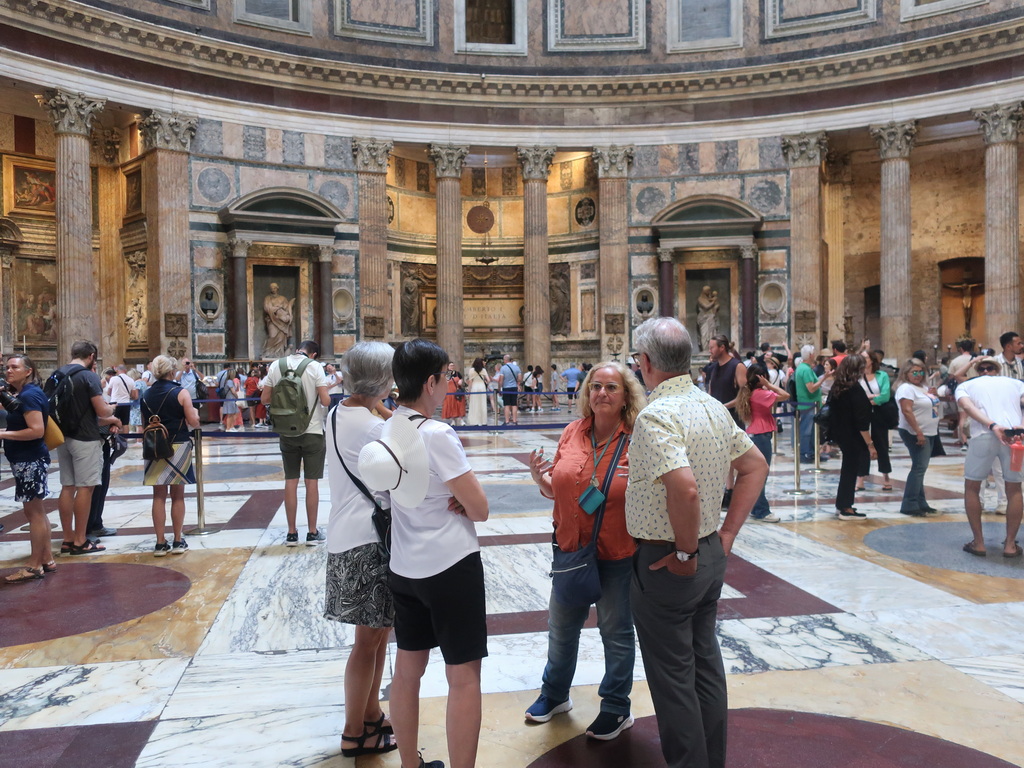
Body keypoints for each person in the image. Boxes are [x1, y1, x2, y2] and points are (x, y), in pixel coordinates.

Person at [627, 317, 768, 768]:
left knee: (672, 679)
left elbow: (684, 489)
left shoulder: (656, 416)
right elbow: (756, 466)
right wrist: (725, 534)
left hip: (670, 559)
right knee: (704, 663)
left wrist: (685, 552)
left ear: (645, 363)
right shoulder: (710, 406)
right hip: (710, 552)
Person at [363, 338, 489, 768]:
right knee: (463, 675)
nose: (451, 383)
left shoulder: (388, 428)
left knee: (408, 670)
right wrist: (458, 498)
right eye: (448, 376)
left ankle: (410, 765)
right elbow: (481, 509)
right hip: (450, 566)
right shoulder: (437, 434)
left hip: (405, 566)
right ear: (432, 381)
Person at [524, 361, 646, 739]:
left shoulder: (638, 437)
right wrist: (540, 480)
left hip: (618, 552)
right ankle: (555, 693)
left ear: (626, 395)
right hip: (571, 550)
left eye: (611, 387)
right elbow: (557, 488)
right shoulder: (573, 432)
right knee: (561, 628)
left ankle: (615, 705)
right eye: (596, 387)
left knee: (616, 630)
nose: (602, 394)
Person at [323, 342, 398, 759]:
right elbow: (411, 459)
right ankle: (354, 732)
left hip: (347, 534)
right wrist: (391, 412)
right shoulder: (373, 428)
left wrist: (383, 407)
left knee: (377, 634)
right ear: (385, 379)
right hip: (369, 542)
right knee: (367, 642)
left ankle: (371, 713)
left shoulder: (340, 412)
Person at [262, 340, 332, 546]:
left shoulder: (276, 365)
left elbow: (265, 399)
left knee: (290, 481)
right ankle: (312, 532)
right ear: (313, 354)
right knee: (312, 483)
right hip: (312, 431)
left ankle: (291, 533)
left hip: (286, 431)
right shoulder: (314, 367)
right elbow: (326, 401)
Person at [54, 340, 121, 556]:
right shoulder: (88, 376)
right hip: (85, 438)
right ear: (91, 355)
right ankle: (81, 540)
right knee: (86, 487)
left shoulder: (58, 373)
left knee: (67, 486)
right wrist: (111, 409)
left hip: (62, 436)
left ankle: (67, 539)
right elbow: (101, 411)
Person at [956, 355, 1024, 557]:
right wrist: (1020, 425)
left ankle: (979, 542)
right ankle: (1010, 545)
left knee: (972, 486)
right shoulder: (1015, 383)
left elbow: (967, 407)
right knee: (1014, 488)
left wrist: (993, 425)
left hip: (984, 435)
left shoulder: (968, 385)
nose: (986, 372)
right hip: (1014, 438)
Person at [0, 354, 54, 582]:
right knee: (37, 512)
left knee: (33, 514)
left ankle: (34, 565)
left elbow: (36, 430)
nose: (8, 371)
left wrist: (2, 433)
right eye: (6, 367)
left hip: (29, 460)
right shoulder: (23, 394)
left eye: (14, 367)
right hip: (26, 459)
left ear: (28, 370)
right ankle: (47, 559)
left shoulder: (30, 395)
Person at [142, 355, 201, 555]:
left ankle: (160, 543)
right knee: (178, 495)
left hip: (155, 446)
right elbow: (194, 422)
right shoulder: (181, 392)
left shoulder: (146, 394)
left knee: (158, 496)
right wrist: (195, 415)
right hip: (178, 445)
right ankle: (177, 540)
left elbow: (144, 423)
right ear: (171, 371)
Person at [735, 363, 789, 523]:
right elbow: (785, 395)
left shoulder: (749, 392)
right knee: (762, 474)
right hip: (761, 435)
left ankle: (755, 507)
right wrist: (769, 385)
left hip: (755, 433)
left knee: (757, 473)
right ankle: (761, 510)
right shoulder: (760, 393)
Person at [827, 355, 876, 520]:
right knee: (851, 470)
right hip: (853, 435)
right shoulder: (854, 388)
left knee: (847, 469)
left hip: (841, 433)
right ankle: (846, 507)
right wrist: (870, 443)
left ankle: (842, 504)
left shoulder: (838, 386)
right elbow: (861, 420)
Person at [895, 357, 941, 517]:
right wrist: (918, 432)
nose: (918, 375)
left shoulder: (922, 387)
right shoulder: (906, 388)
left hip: (929, 431)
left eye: (921, 372)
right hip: (916, 432)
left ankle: (921, 502)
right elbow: (907, 411)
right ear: (906, 373)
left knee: (920, 468)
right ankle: (909, 504)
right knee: (919, 468)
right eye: (914, 372)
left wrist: (932, 395)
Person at [857, 350, 893, 492]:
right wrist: (870, 397)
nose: (863, 360)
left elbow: (885, 395)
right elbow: (855, 395)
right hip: (861, 413)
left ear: (872, 360)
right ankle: (860, 478)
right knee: (862, 445)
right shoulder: (857, 377)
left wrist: (872, 399)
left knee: (881, 444)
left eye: (865, 357)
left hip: (879, 413)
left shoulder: (882, 375)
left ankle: (886, 476)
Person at [794, 344, 827, 463]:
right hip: (808, 404)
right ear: (811, 355)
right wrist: (824, 378)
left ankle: (813, 453)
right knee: (806, 431)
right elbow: (811, 388)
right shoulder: (806, 369)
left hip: (810, 403)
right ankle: (805, 453)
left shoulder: (803, 368)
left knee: (813, 431)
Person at [263, 282, 295, 358]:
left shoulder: (283, 298)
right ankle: (269, 352)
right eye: (271, 288)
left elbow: (287, 309)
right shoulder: (267, 298)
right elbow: (266, 308)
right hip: (272, 320)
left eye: (274, 288)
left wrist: (288, 316)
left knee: (281, 338)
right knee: (272, 336)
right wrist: (276, 308)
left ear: (277, 288)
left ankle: (279, 353)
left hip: (282, 321)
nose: (273, 289)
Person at [105, 363, 135, 428]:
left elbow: (108, 392)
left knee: (113, 422)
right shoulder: (131, 380)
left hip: (115, 403)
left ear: (118, 370)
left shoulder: (113, 379)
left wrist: (114, 395)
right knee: (125, 423)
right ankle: (125, 438)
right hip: (126, 403)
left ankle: (116, 437)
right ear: (125, 370)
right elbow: (133, 395)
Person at [497, 353, 521, 426]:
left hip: (506, 388)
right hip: (514, 388)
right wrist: (517, 383)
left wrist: (499, 388)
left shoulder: (503, 368)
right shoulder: (517, 368)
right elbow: (520, 378)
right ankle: (514, 421)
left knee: (506, 405)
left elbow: (501, 380)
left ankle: (507, 421)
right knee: (514, 404)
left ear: (505, 360)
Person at [465, 357, 490, 426]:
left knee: (474, 404)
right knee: (482, 404)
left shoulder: (471, 370)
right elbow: (488, 380)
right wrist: (484, 381)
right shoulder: (483, 370)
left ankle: (475, 421)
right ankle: (483, 421)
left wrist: (469, 391)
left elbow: (470, 382)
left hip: (475, 387)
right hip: (482, 387)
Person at [441, 361, 466, 426]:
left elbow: (461, 380)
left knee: (459, 405)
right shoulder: (446, 374)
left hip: (457, 391)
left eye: (453, 365)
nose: (452, 367)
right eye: (451, 365)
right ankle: (453, 420)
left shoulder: (457, 373)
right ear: (448, 367)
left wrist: (461, 381)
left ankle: (461, 420)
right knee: (451, 406)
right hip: (450, 392)